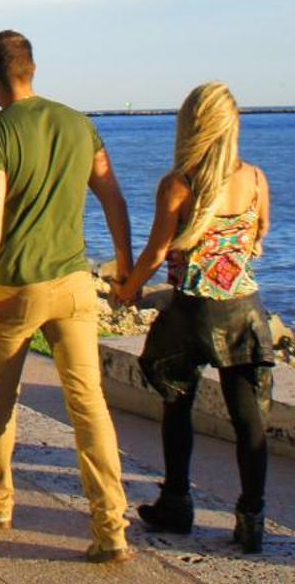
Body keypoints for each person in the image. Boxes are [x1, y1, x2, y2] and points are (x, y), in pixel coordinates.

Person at [0, 30, 135, 565]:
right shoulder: (79, 124)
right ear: (32, 69)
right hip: (75, 288)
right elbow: (112, 197)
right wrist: (125, 269)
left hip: (15, 290)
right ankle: (112, 529)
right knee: (89, 406)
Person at [115, 82, 274, 553]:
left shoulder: (178, 184)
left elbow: (157, 251)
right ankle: (251, 517)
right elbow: (260, 232)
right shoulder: (257, 180)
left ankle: (177, 503)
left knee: (177, 406)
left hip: (191, 311)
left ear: (191, 126)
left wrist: (129, 287)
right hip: (244, 311)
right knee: (249, 421)